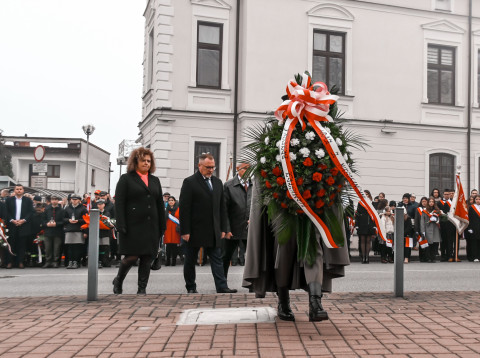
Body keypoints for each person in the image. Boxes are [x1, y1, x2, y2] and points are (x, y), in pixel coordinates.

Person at [243, 178, 350, 322]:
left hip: (312, 199)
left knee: (313, 247)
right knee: (283, 250)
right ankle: (283, 301)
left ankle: (315, 303)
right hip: (281, 200)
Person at [179, 153, 236, 294]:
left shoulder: (217, 182)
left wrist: (223, 228)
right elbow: (184, 209)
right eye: (208, 167)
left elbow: (222, 208)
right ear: (199, 166)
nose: (211, 170)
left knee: (217, 259)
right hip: (194, 230)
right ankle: (191, 287)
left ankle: (222, 287)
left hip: (213, 230)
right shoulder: (189, 182)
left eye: (213, 167)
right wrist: (185, 231)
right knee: (190, 261)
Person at [113, 147, 166, 295]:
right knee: (131, 257)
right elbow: (119, 203)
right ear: (135, 162)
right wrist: (121, 224)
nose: (146, 163)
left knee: (147, 258)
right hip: (132, 226)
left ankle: (141, 289)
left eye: (149, 161)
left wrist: (163, 225)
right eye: (143, 160)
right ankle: (118, 280)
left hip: (151, 226)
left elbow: (159, 204)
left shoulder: (155, 180)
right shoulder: (126, 179)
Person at [222, 163, 252, 278]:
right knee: (226, 256)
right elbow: (224, 210)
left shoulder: (254, 185)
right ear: (237, 169)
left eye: (250, 169)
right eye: (245, 169)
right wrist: (227, 229)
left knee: (252, 258)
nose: (248, 171)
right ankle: (222, 282)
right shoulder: (229, 185)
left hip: (250, 228)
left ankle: (251, 284)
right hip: (233, 229)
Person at [5, 184, 34, 269]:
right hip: (12, 225)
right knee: (11, 244)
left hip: (23, 225)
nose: (19, 190)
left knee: (22, 245)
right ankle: (10, 262)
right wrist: (12, 220)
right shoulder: (9, 200)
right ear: (14, 190)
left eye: (20, 189)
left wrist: (23, 220)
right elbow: (6, 212)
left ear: (23, 190)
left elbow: (31, 212)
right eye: (17, 189)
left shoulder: (28, 200)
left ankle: (20, 262)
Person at [63, 194, 88, 269]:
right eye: (73, 199)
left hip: (79, 230)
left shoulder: (83, 209)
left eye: (76, 199)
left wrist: (78, 221)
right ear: (70, 200)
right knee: (70, 247)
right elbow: (63, 218)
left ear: (79, 200)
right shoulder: (67, 208)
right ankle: (70, 261)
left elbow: (86, 220)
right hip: (69, 230)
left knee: (77, 247)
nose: (74, 201)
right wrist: (68, 220)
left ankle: (76, 261)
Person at [42, 195, 65, 268]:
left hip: (58, 232)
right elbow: (43, 220)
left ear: (58, 201)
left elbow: (64, 221)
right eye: (53, 199)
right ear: (50, 200)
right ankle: (48, 261)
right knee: (48, 248)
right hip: (48, 232)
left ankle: (56, 261)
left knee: (56, 248)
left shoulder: (62, 210)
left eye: (55, 199)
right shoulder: (47, 209)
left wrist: (57, 224)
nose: (54, 201)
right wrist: (46, 224)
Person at [355, 190, 376, 264]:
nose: (366, 195)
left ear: (369, 195)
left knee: (368, 241)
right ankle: (363, 257)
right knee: (362, 240)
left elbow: (375, 215)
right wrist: (356, 225)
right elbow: (357, 214)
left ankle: (367, 257)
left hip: (370, 224)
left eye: (367, 194)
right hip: (362, 223)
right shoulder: (360, 203)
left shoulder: (372, 203)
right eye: (364, 194)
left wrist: (375, 226)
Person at [420, 197, 441, 263]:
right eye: (430, 202)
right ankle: (428, 257)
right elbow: (422, 221)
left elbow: (440, 219)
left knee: (435, 244)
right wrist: (422, 231)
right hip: (427, 228)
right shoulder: (424, 211)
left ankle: (433, 257)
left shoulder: (437, 210)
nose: (431, 203)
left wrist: (437, 219)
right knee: (428, 244)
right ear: (428, 203)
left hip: (435, 229)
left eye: (432, 202)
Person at [164, 196, 181, 266]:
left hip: (175, 229)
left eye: (172, 200)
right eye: (169, 200)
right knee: (168, 246)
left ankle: (173, 261)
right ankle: (167, 261)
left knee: (174, 246)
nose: (170, 201)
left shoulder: (178, 209)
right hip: (167, 229)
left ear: (174, 201)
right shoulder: (166, 210)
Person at [466, 195, 480, 262]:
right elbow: (470, 218)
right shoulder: (472, 207)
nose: (478, 200)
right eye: (476, 199)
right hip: (474, 227)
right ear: (474, 200)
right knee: (474, 243)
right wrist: (470, 228)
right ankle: (475, 256)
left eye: (479, 199)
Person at [414, 196, 429, 262]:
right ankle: (421, 257)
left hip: (428, 228)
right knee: (421, 243)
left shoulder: (429, 209)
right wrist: (416, 230)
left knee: (427, 244)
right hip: (420, 228)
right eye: (423, 201)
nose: (424, 203)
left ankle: (427, 257)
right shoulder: (418, 209)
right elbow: (416, 220)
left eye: (425, 201)